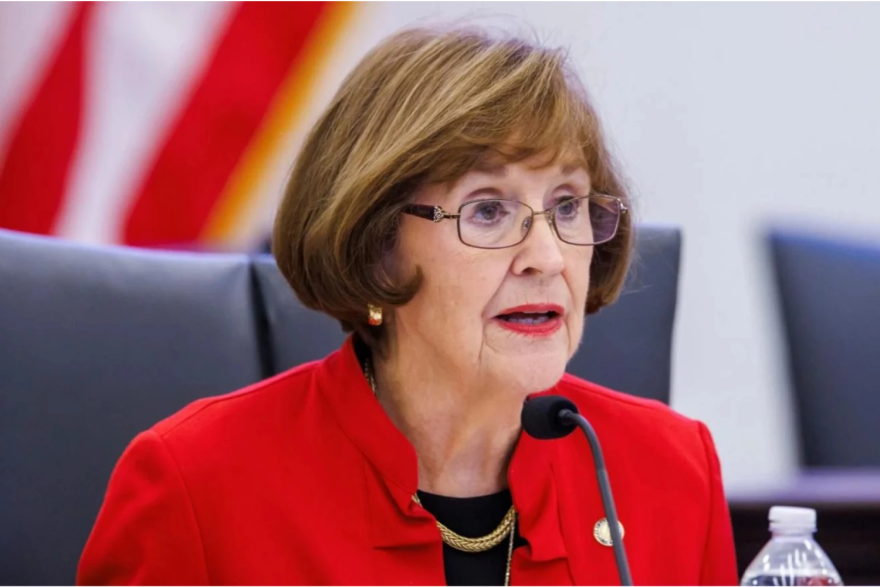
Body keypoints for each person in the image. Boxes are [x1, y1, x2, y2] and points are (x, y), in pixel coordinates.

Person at [78, 26, 737, 586]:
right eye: (488, 209)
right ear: (378, 244)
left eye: (567, 205)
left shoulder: (671, 473)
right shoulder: (197, 486)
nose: (547, 255)